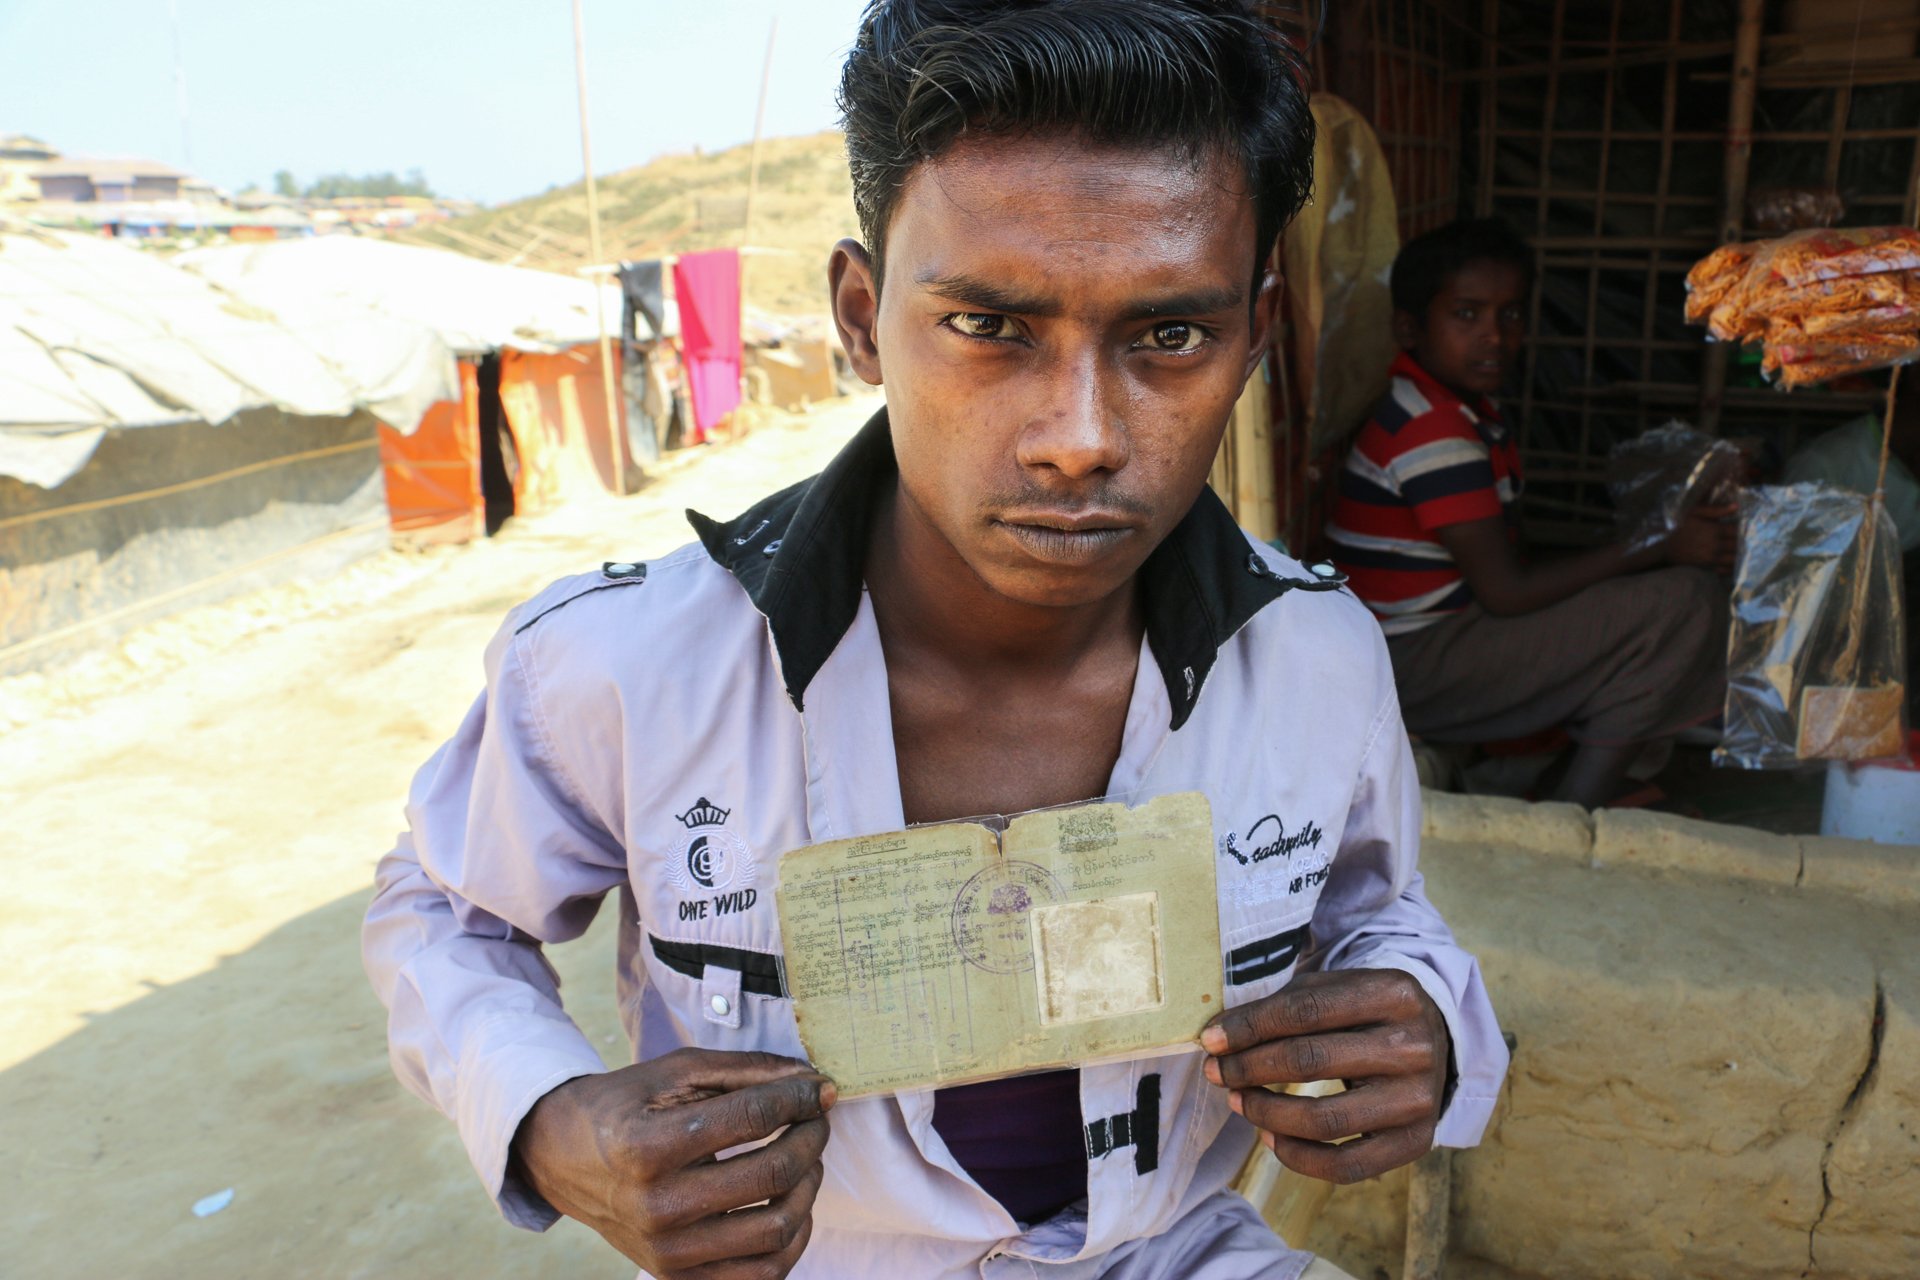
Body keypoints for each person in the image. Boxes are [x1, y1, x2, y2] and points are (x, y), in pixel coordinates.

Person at [361, 4, 1508, 1278]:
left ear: (1250, 335)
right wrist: (545, 1117)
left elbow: (1379, 913)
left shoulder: (1319, 661)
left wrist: (1426, 1024)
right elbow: (446, 907)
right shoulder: (623, 664)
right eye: (989, 326)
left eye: (1169, 335)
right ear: (861, 317)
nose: (1079, 435)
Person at [1326, 218, 1735, 810]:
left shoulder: (1452, 408)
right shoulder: (1432, 430)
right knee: (1683, 603)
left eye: (1510, 315)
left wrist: (1648, 550)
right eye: (1467, 314)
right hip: (1411, 665)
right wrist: (1660, 546)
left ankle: (1572, 779)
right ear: (1410, 328)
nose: (1495, 335)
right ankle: (1572, 808)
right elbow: (1508, 593)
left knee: (1652, 592)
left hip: (1423, 648)